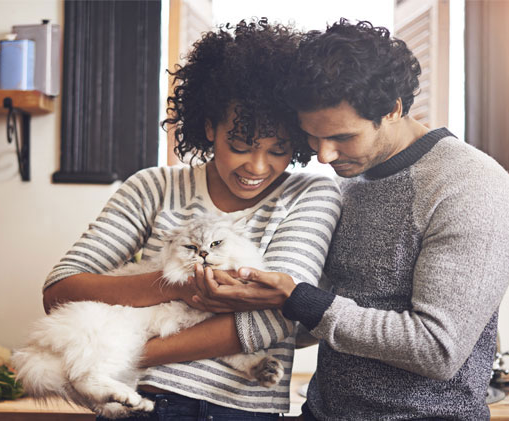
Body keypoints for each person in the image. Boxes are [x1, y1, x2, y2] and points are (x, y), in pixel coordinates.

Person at [189, 19, 509, 420]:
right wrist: (237, 302)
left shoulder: (472, 188)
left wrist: (297, 299)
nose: (324, 157)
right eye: (312, 136)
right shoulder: (347, 184)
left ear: (393, 109)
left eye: (342, 138)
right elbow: (329, 320)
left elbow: (438, 350)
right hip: (320, 411)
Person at [41, 19, 342, 419]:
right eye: (240, 145)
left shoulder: (310, 195)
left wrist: (113, 354)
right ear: (208, 128)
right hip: (146, 403)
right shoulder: (152, 187)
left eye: (279, 149)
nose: (257, 165)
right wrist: (176, 288)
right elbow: (61, 291)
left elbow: (277, 318)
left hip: (239, 408)